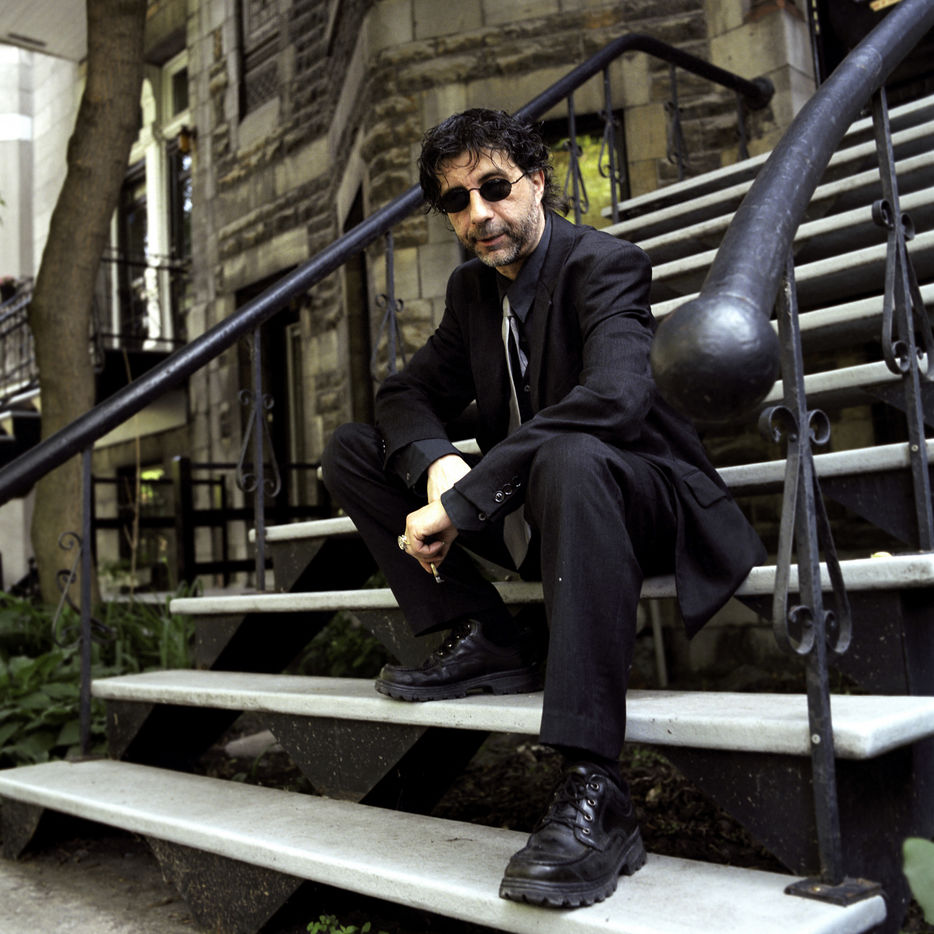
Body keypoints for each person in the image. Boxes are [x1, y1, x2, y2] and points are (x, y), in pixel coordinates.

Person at [321, 108, 764, 909]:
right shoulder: (470, 292)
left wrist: (468, 494)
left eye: (494, 188)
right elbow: (405, 394)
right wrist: (441, 463)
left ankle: (597, 786)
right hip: (539, 501)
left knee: (570, 453)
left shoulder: (606, 263)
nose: (478, 214)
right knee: (353, 448)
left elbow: (616, 398)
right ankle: (488, 635)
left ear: (537, 183)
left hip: (639, 500)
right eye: (456, 201)